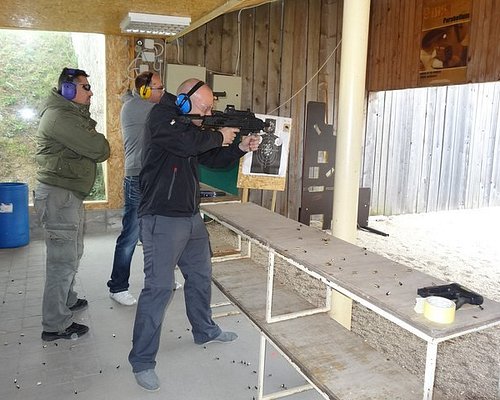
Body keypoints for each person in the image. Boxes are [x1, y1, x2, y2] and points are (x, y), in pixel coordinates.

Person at [128, 79, 260, 391]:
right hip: (162, 217)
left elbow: (209, 156)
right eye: (204, 108)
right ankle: (142, 360)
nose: (208, 113)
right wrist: (218, 134)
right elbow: (190, 142)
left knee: (200, 277)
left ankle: (204, 330)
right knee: (158, 289)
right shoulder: (162, 118)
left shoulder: (188, 125)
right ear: (184, 102)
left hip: (190, 216)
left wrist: (238, 147)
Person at [33, 67, 110, 341]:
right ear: (67, 90)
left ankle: (67, 299)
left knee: (72, 253)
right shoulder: (60, 118)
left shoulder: (69, 115)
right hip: (59, 196)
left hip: (66, 194)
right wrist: (89, 133)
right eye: (85, 87)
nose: (90, 92)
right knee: (61, 262)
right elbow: (101, 149)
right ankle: (55, 324)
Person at [107, 71, 176, 306]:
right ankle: (117, 287)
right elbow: (174, 109)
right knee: (130, 235)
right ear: (144, 91)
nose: (163, 91)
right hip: (138, 179)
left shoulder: (148, 106)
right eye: (158, 87)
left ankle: (160, 278)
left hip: (152, 178)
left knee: (155, 232)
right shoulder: (139, 108)